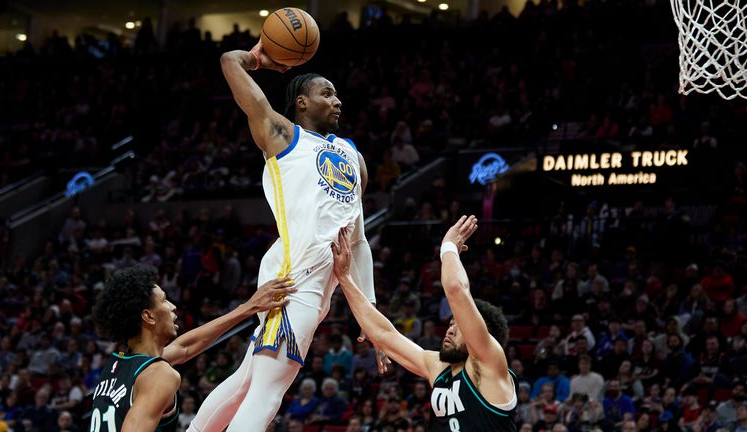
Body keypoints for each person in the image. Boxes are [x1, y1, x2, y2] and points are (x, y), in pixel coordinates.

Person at [190, 38, 380, 432]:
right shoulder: (282, 136)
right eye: (327, 93)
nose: (338, 100)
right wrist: (261, 57)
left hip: (316, 286)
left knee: (247, 384)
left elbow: (358, 240)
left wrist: (369, 311)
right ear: (302, 103)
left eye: (338, 94)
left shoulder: (352, 157)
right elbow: (229, 61)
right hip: (296, 281)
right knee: (267, 392)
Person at [332, 215, 518, 431]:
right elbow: (384, 334)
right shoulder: (439, 367)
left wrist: (448, 247)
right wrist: (345, 278)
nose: (450, 330)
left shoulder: (490, 363)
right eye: (450, 324)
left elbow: (456, 289)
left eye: (459, 326)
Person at [89, 265, 295, 432]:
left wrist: (248, 308)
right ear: (148, 316)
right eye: (164, 301)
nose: (172, 306)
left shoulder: (120, 363)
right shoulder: (158, 375)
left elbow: (185, 347)